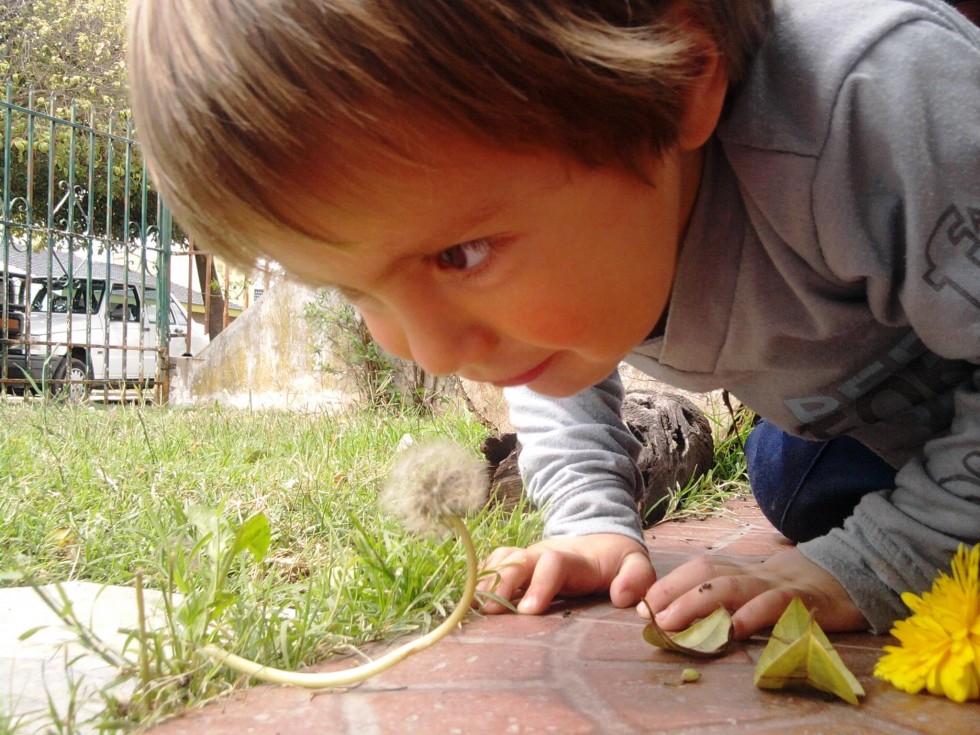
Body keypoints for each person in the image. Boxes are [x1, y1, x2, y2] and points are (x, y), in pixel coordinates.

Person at [127, 0, 980, 638]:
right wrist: (590, 518)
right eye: (355, 290)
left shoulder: (879, 101)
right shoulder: (573, 260)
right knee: (791, 482)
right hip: (844, 434)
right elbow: (548, 362)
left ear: (681, 71)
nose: (433, 349)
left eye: (459, 255)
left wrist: (885, 559)